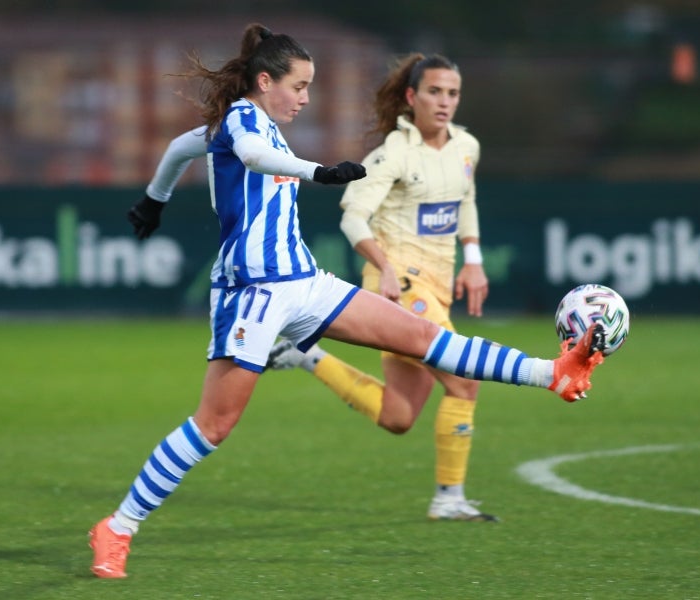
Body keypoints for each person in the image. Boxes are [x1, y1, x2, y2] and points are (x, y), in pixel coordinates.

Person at [88, 23, 606, 579]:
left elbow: (176, 148)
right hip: (253, 294)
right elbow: (255, 157)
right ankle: (117, 527)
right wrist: (319, 172)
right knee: (213, 426)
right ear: (265, 81)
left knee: (428, 341)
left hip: (305, 282)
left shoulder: (252, 123)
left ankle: (553, 371)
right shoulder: (243, 118)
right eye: (299, 85)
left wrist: (154, 199)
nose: (307, 97)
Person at [267, 53, 498, 521]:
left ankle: (306, 355)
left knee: (398, 417)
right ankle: (449, 499)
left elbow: (466, 201)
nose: (444, 101)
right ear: (412, 98)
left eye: (452, 93)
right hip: (399, 284)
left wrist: (472, 261)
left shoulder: (466, 147)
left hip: (435, 288)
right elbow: (353, 217)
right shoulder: (393, 153)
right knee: (464, 381)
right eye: (434, 91)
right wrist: (384, 267)